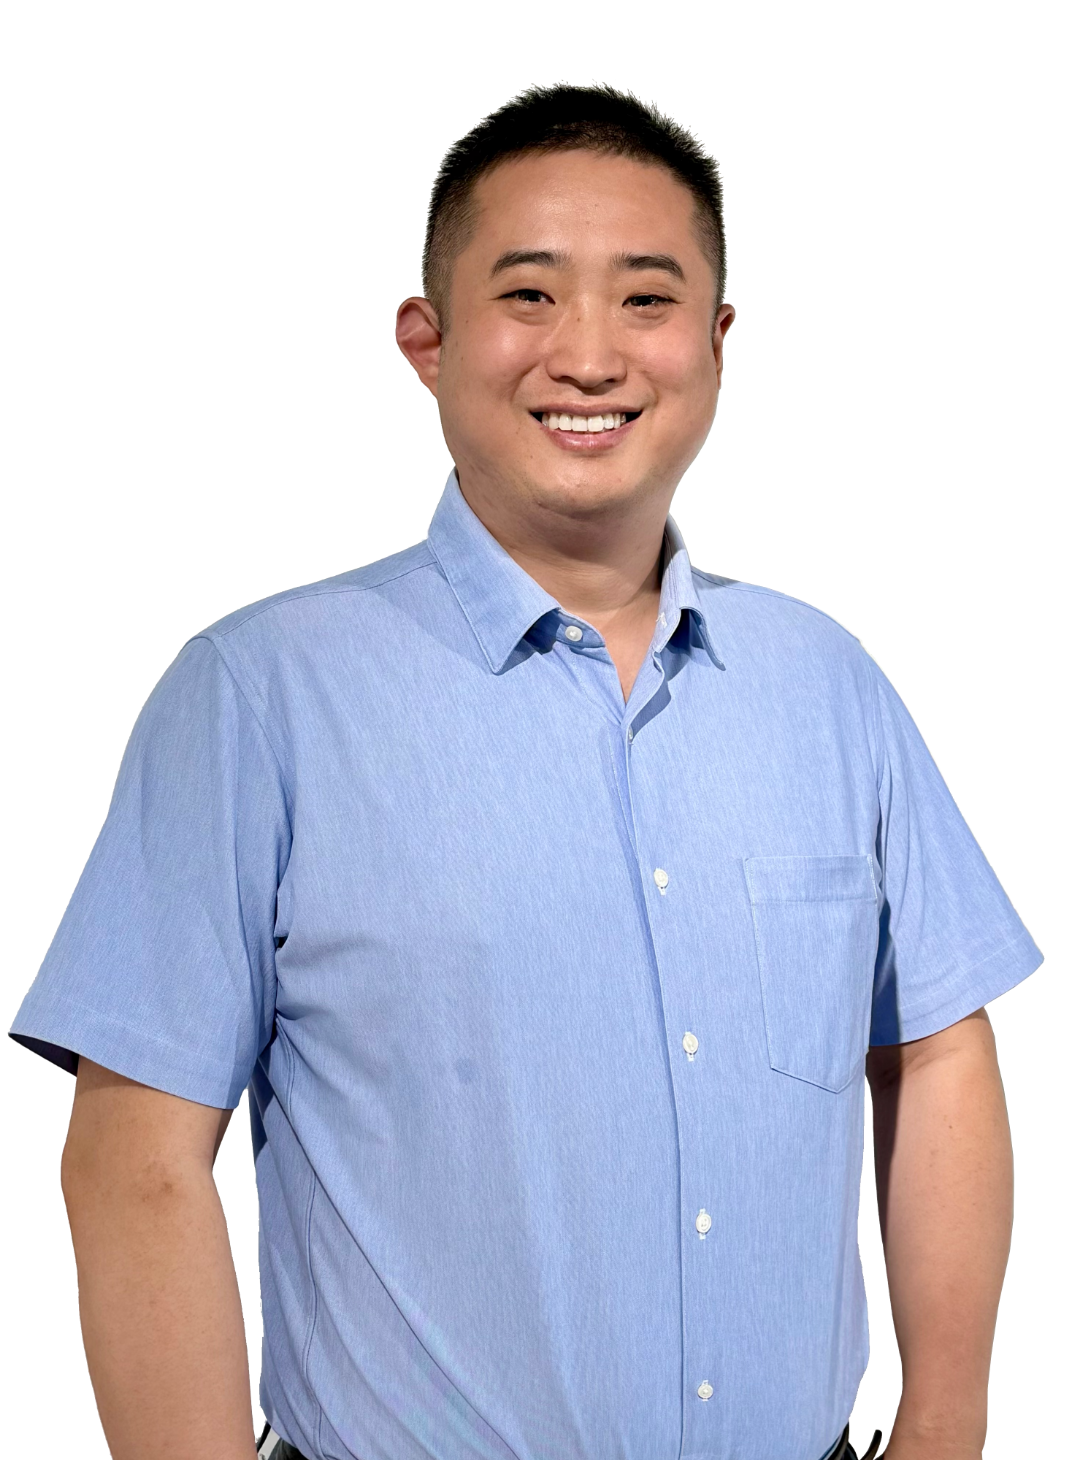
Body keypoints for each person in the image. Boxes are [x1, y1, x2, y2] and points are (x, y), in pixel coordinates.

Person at [9, 84, 1042, 1460]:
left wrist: (948, 1423)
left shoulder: (828, 684)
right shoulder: (260, 695)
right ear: (427, 341)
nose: (591, 355)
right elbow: (135, 1157)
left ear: (717, 343)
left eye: (648, 299)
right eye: (531, 295)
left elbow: (935, 1048)